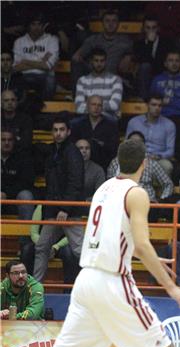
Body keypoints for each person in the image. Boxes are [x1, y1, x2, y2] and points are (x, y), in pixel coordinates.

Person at [49, 138, 180, 347]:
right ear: (144, 163)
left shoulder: (103, 188)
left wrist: (152, 259)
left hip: (85, 280)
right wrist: (171, 287)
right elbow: (143, 244)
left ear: (118, 161)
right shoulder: (136, 193)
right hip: (112, 282)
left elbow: (117, 238)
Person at [34, 117, 84, 283]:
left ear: (68, 131)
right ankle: (35, 289)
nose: (58, 133)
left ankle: (97, 287)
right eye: (55, 130)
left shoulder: (72, 152)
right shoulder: (53, 151)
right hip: (53, 209)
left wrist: (65, 208)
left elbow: (75, 182)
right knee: (41, 247)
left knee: (80, 251)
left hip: (68, 210)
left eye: (62, 129)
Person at [1, 128, 35, 273]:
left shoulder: (22, 158)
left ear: (14, 142)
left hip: (15, 201)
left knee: (26, 195)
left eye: (10, 140)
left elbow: (27, 182)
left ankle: (24, 246)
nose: (6, 143)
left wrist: (5, 193)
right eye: (3, 140)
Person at [107, 131, 173, 204]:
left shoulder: (150, 162)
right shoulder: (116, 162)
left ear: (143, 146)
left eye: (139, 142)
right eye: (132, 142)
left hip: (149, 203)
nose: (135, 146)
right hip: (122, 202)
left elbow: (168, 183)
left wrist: (162, 201)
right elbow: (110, 185)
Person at [126, 94, 176, 176]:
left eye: (160, 105)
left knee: (167, 166)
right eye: (154, 105)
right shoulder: (134, 122)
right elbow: (127, 145)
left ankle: (164, 188)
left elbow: (170, 151)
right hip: (137, 157)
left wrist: (158, 156)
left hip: (158, 159)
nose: (157, 108)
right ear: (147, 105)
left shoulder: (169, 125)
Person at [12, 13, 58, 99]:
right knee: (15, 78)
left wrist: (25, 61)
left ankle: (45, 107)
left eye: (39, 24)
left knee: (50, 79)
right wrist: (40, 63)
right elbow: (16, 67)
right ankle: (20, 107)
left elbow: (48, 66)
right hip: (24, 76)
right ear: (28, 26)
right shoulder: (19, 41)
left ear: (43, 26)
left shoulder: (52, 40)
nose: (36, 27)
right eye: (33, 24)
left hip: (44, 76)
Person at [70, 95, 119, 170]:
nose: (96, 108)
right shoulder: (76, 124)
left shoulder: (111, 125)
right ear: (87, 106)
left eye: (99, 105)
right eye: (93, 104)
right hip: (80, 164)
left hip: (104, 165)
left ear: (102, 108)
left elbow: (113, 149)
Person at [74, 48, 123, 119]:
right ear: (91, 61)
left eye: (102, 61)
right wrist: (101, 108)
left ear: (106, 62)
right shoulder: (82, 80)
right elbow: (79, 107)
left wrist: (91, 106)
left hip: (108, 119)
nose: (99, 64)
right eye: (96, 60)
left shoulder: (115, 80)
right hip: (87, 119)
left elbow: (115, 105)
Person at [150, 50, 180, 121]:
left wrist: (169, 102)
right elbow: (151, 102)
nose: (174, 63)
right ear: (165, 63)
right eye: (170, 60)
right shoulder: (157, 80)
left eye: (177, 60)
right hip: (159, 118)